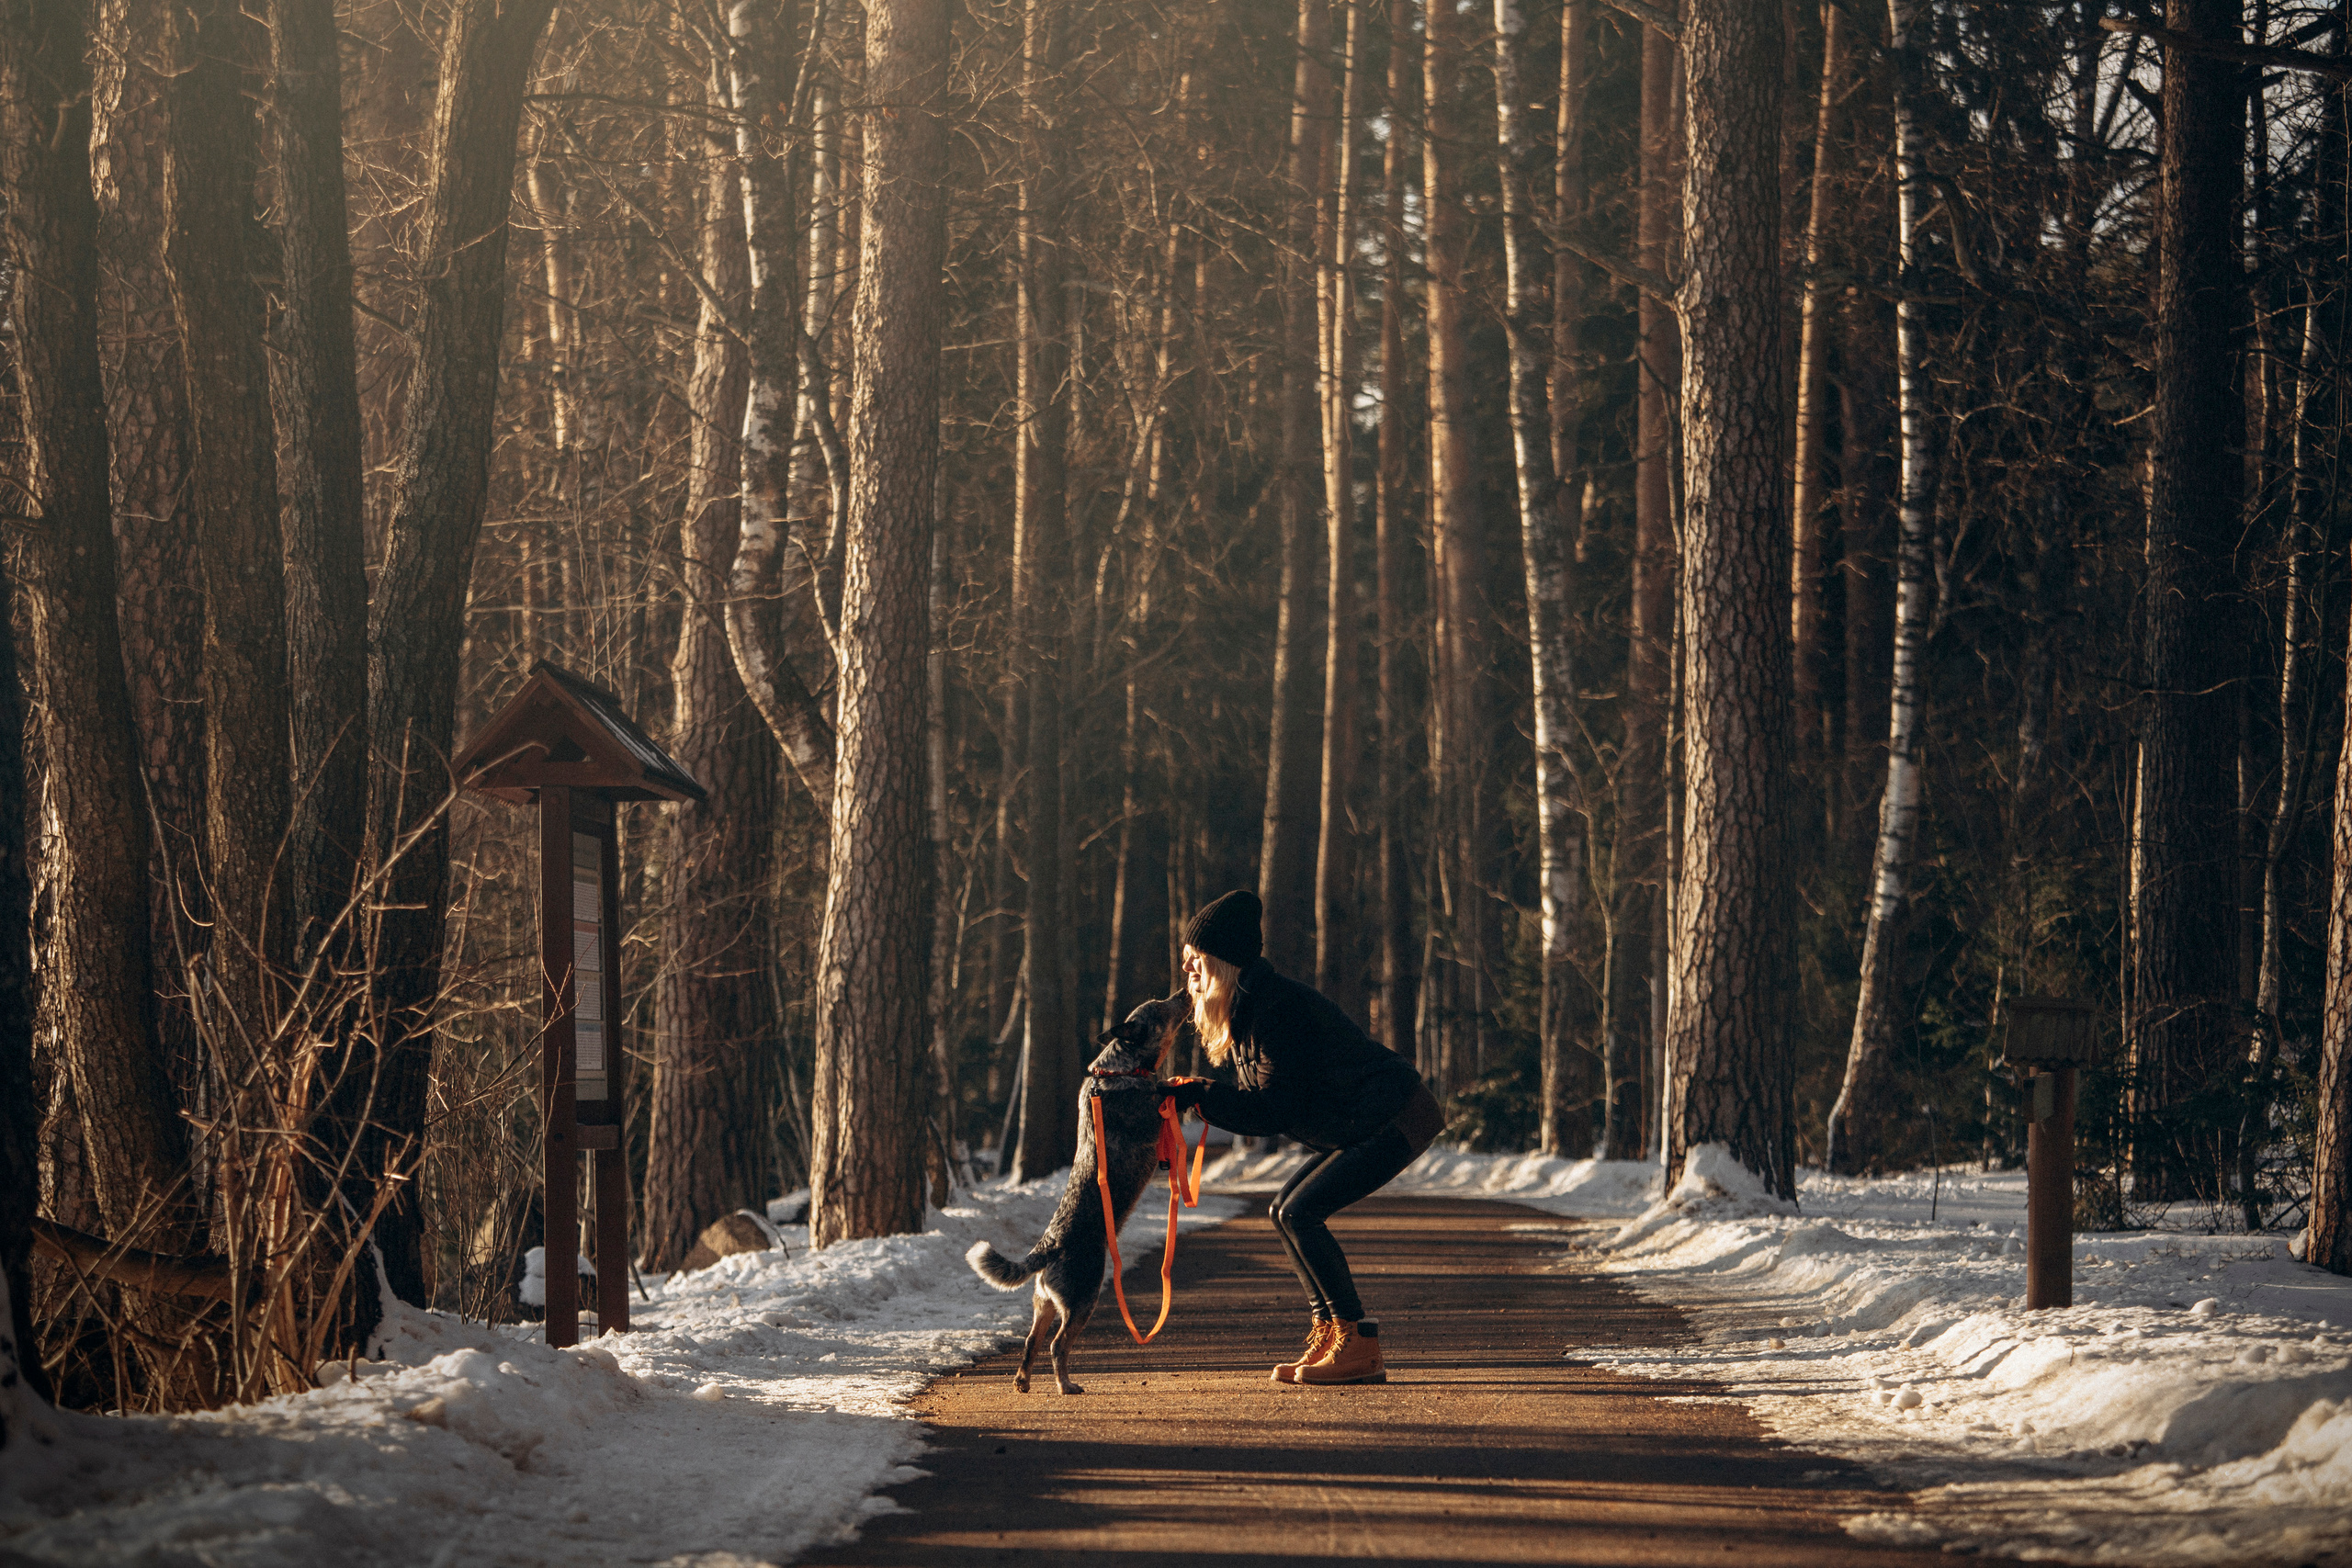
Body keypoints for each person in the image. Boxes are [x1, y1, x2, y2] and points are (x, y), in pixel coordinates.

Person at [1159, 889, 1442, 1386]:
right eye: (1186, 962)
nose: (1188, 973)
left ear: (1222, 962)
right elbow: (1269, 1104)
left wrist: (1198, 1095)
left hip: (1396, 1115)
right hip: (1359, 1121)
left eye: (1195, 961)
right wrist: (1195, 1094)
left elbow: (1272, 1112)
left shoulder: (1276, 1011)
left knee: (1300, 1212)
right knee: (1283, 1210)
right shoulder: (1249, 1012)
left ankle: (1357, 1343)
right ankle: (1331, 1331)